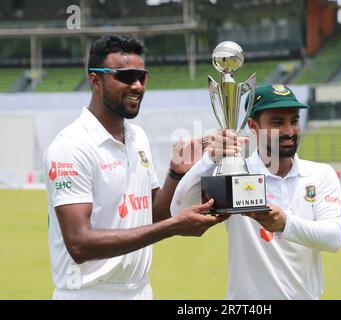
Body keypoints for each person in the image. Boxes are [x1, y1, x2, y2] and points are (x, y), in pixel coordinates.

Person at [43, 35, 227, 300]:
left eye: (142, 76)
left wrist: (177, 172)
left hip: (140, 290)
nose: (137, 85)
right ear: (95, 80)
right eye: (126, 76)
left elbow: (154, 215)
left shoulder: (137, 136)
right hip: (89, 293)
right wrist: (174, 227)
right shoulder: (71, 147)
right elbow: (79, 244)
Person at [171, 84, 341, 300]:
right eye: (277, 122)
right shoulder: (235, 172)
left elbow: (334, 238)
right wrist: (210, 159)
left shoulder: (320, 174)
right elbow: (178, 209)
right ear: (253, 126)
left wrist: (284, 223)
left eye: (294, 120)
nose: (289, 131)